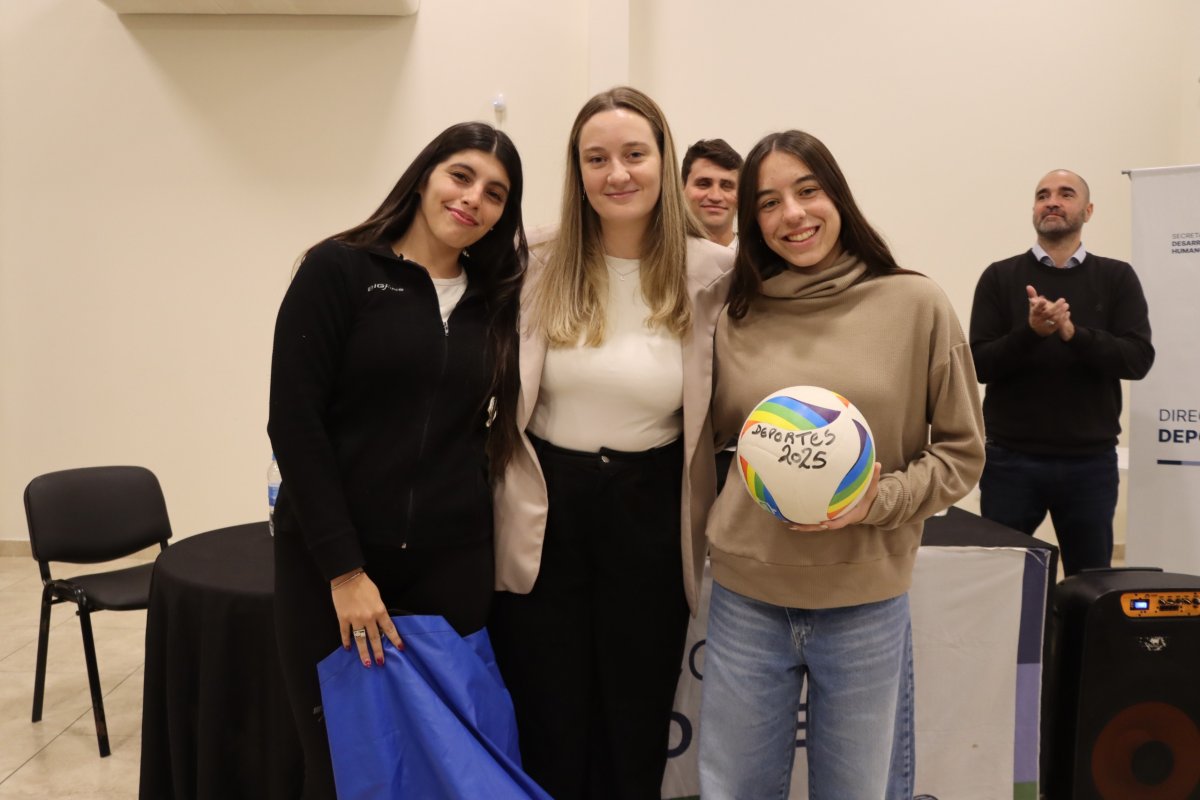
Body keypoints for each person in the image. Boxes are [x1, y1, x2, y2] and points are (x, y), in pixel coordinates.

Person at [698, 130, 985, 798]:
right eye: (769, 202)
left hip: (865, 600)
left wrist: (876, 501)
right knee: (733, 789)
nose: (792, 214)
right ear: (753, 221)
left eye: (808, 191)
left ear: (838, 197)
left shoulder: (915, 304)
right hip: (747, 595)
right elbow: (710, 436)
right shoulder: (736, 312)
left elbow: (961, 452)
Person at [266, 121, 527, 799]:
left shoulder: (497, 301)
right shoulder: (339, 269)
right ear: (424, 176)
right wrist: (345, 571)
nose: (472, 199)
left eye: (495, 193)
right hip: (333, 568)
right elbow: (294, 424)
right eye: (461, 176)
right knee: (343, 768)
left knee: (444, 768)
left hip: (450, 569)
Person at [489, 87, 734, 800]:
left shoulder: (712, 273)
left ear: (663, 159)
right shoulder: (533, 260)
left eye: (634, 154)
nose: (617, 173)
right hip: (545, 508)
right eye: (596, 159)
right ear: (577, 170)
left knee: (635, 717)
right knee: (547, 715)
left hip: (651, 507)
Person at [970, 170, 1154, 576]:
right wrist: (1031, 334)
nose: (1052, 201)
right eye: (1043, 195)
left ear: (1088, 211)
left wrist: (1074, 334)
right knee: (998, 579)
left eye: (1066, 194)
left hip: (1089, 464)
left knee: (1090, 583)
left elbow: (1138, 359)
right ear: (1034, 209)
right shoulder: (999, 277)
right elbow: (979, 365)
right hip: (1009, 461)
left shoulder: (1117, 277)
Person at [682, 138, 742, 248]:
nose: (715, 197)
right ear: (681, 188)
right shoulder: (659, 255)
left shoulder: (761, 257)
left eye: (727, 186)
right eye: (703, 184)